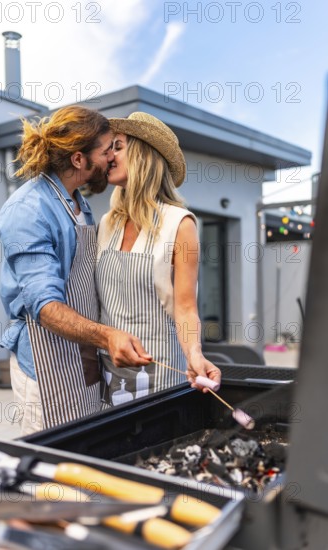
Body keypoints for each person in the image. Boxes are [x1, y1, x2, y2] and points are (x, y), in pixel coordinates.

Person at [0, 106, 151, 435]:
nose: (112, 157)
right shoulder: (28, 210)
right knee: (55, 476)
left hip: (84, 359)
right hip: (46, 360)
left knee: (88, 456)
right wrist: (108, 336)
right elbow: (47, 308)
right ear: (79, 160)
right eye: (107, 150)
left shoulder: (81, 205)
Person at [96, 112, 221, 407]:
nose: (108, 156)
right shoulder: (106, 224)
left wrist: (194, 354)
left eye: (117, 146)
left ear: (143, 154)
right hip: (110, 376)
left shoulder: (180, 224)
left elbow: (186, 307)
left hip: (161, 375)